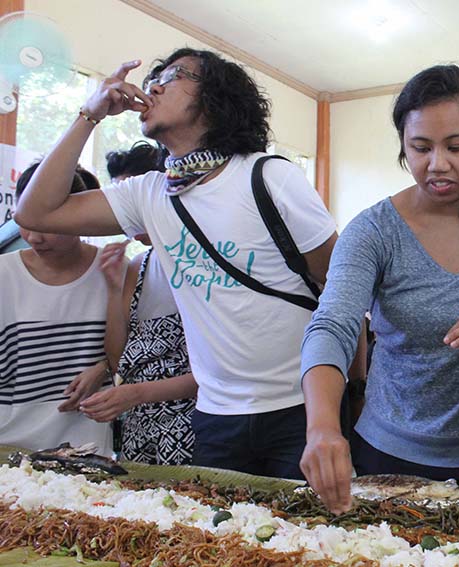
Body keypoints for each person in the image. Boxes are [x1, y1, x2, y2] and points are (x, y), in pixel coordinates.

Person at [14, 48, 338, 479]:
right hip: (216, 414)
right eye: (153, 79)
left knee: (305, 538)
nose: (154, 86)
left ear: (215, 97)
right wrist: (89, 114)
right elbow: (34, 213)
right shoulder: (148, 194)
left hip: (298, 407)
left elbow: (337, 290)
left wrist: (338, 406)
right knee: (224, 540)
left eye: (175, 76)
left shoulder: (268, 176)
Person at [299, 64, 459, 514]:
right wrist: (322, 426)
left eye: (456, 146)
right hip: (391, 454)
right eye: (420, 148)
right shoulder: (374, 231)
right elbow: (333, 324)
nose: (436, 164)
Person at [79, 144, 196, 466]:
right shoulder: (138, 266)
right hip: (139, 427)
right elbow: (120, 360)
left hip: (194, 426)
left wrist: (136, 393)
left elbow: (219, 372)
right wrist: (115, 289)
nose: (126, 218)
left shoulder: (204, 262)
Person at [0, 162, 113, 452]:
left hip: (85, 446)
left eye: (48, 226)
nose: (35, 237)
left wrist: (104, 368)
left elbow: (139, 348)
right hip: (7, 444)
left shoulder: (113, 271)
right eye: (25, 222)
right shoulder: (4, 273)